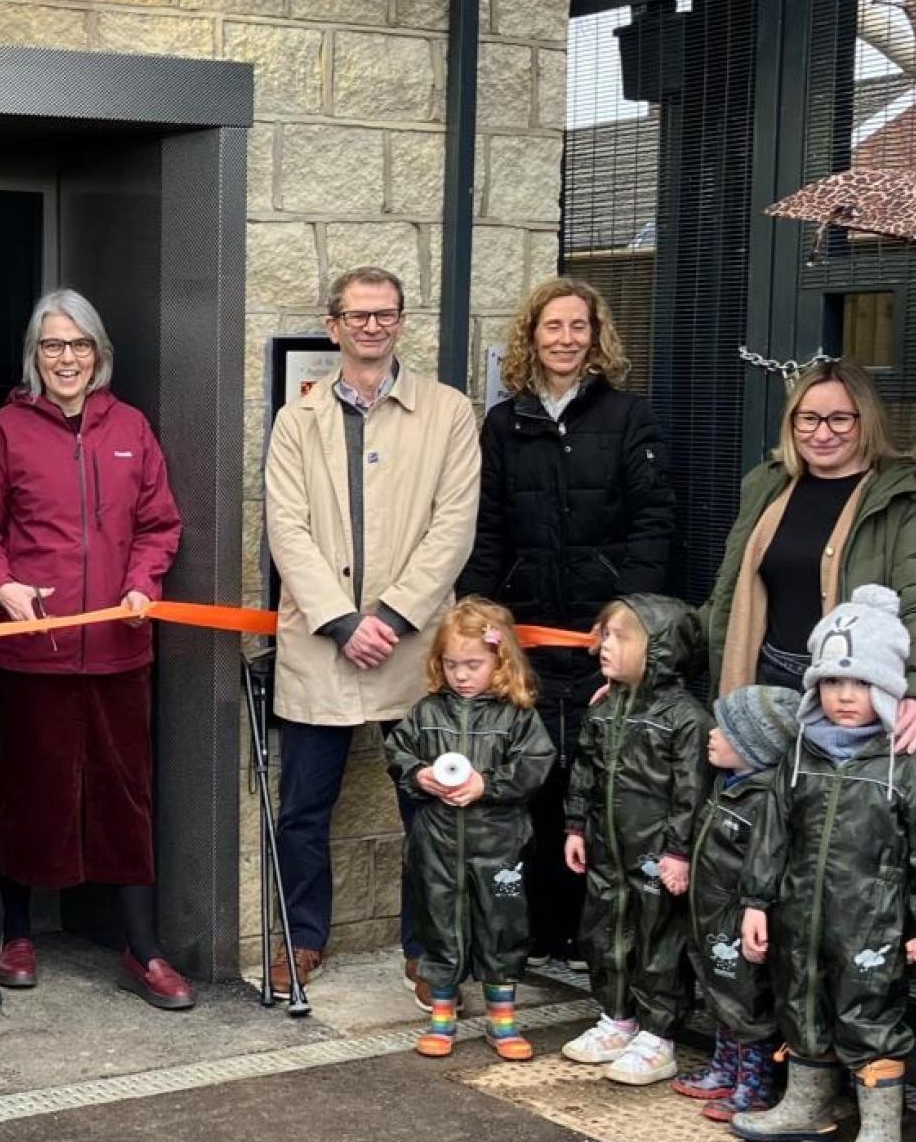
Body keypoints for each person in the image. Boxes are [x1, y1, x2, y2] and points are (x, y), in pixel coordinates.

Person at [0, 287, 188, 1008]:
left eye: (79, 345)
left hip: (119, 650)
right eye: (53, 345)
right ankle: (17, 932)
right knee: (29, 792)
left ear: (99, 354)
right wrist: (2, 588)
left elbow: (159, 524)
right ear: (35, 354)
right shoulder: (3, 430)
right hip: (30, 655)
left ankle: (141, 948)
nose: (67, 358)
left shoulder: (132, 427)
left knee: (127, 798)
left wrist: (142, 582)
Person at [266, 266, 481, 1008]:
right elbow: (285, 529)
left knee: (426, 801)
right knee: (302, 811)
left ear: (400, 322)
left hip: (409, 647)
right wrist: (342, 621)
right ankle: (303, 935)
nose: (371, 327)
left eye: (384, 314)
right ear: (334, 326)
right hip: (321, 646)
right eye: (357, 315)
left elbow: (453, 526)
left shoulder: (449, 412)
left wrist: (389, 618)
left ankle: (426, 948)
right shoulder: (298, 419)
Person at [459, 277, 674, 975]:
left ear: (596, 335)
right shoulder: (504, 424)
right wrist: (477, 612)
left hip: (597, 633)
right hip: (526, 636)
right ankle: (535, 931)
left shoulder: (628, 417)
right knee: (530, 780)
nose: (565, 338)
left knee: (594, 778)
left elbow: (652, 522)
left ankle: (589, 938)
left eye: (578, 326)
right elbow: (488, 529)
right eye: (552, 326)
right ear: (532, 336)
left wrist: (627, 616)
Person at [735, 585, 916, 1142]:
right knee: (800, 1001)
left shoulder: (905, 768)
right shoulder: (800, 756)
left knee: (870, 1015)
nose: (845, 696)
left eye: (859, 683)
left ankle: (881, 1129)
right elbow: (772, 834)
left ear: (886, 688)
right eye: (832, 683)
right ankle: (809, 1101)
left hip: (873, 925)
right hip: (800, 915)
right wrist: (756, 902)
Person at [705, 359, 916, 752]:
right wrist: (644, 644)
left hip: (852, 697)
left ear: (866, 420)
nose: (822, 433)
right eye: (808, 419)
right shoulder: (766, 487)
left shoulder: (907, 497)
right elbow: (724, 600)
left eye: (840, 419)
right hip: (764, 684)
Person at [383, 597, 555, 1060]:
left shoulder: (517, 714)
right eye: (452, 664)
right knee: (438, 924)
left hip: (499, 844)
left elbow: (537, 765)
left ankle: (503, 1018)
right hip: (437, 843)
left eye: (473, 664)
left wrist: (488, 785)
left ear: (501, 660)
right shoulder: (427, 711)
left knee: (503, 927)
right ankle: (443, 1015)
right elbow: (397, 750)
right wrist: (418, 774)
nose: (461, 674)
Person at [560, 595, 711, 1087]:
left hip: (655, 858)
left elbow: (692, 791)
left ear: (662, 649)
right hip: (608, 848)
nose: (604, 646)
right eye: (604, 635)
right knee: (604, 929)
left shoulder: (686, 719)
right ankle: (617, 1017)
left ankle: (659, 1034)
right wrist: (576, 826)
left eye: (620, 638)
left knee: (658, 937)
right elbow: (584, 771)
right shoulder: (604, 710)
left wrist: (679, 851)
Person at [670, 686, 800, 1123]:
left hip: (739, 913)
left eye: (725, 730)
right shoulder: (727, 785)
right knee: (722, 993)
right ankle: (726, 1067)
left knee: (748, 999)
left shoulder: (764, 799)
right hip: (712, 912)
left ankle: (755, 1082)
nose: (712, 734)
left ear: (754, 746)